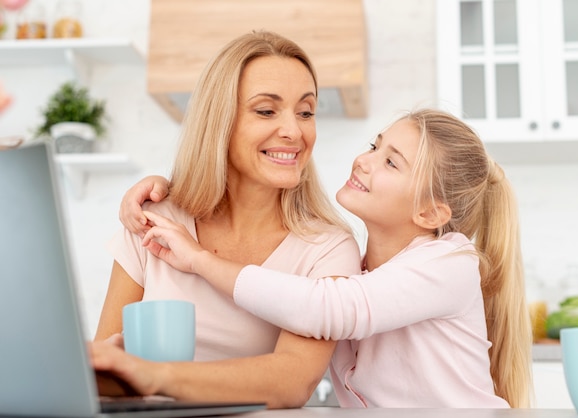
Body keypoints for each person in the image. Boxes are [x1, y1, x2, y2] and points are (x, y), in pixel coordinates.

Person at [119, 109, 533, 408]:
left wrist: (199, 260)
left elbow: (326, 307)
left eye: (391, 162)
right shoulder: (356, 265)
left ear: (429, 213)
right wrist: (172, 190)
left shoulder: (450, 261)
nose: (364, 161)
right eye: (375, 145)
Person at [89, 30, 362, 409]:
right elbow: (104, 372)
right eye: (266, 110)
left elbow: (291, 382)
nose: (294, 131)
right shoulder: (155, 220)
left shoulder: (328, 249)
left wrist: (156, 377)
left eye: (306, 112)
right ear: (220, 121)